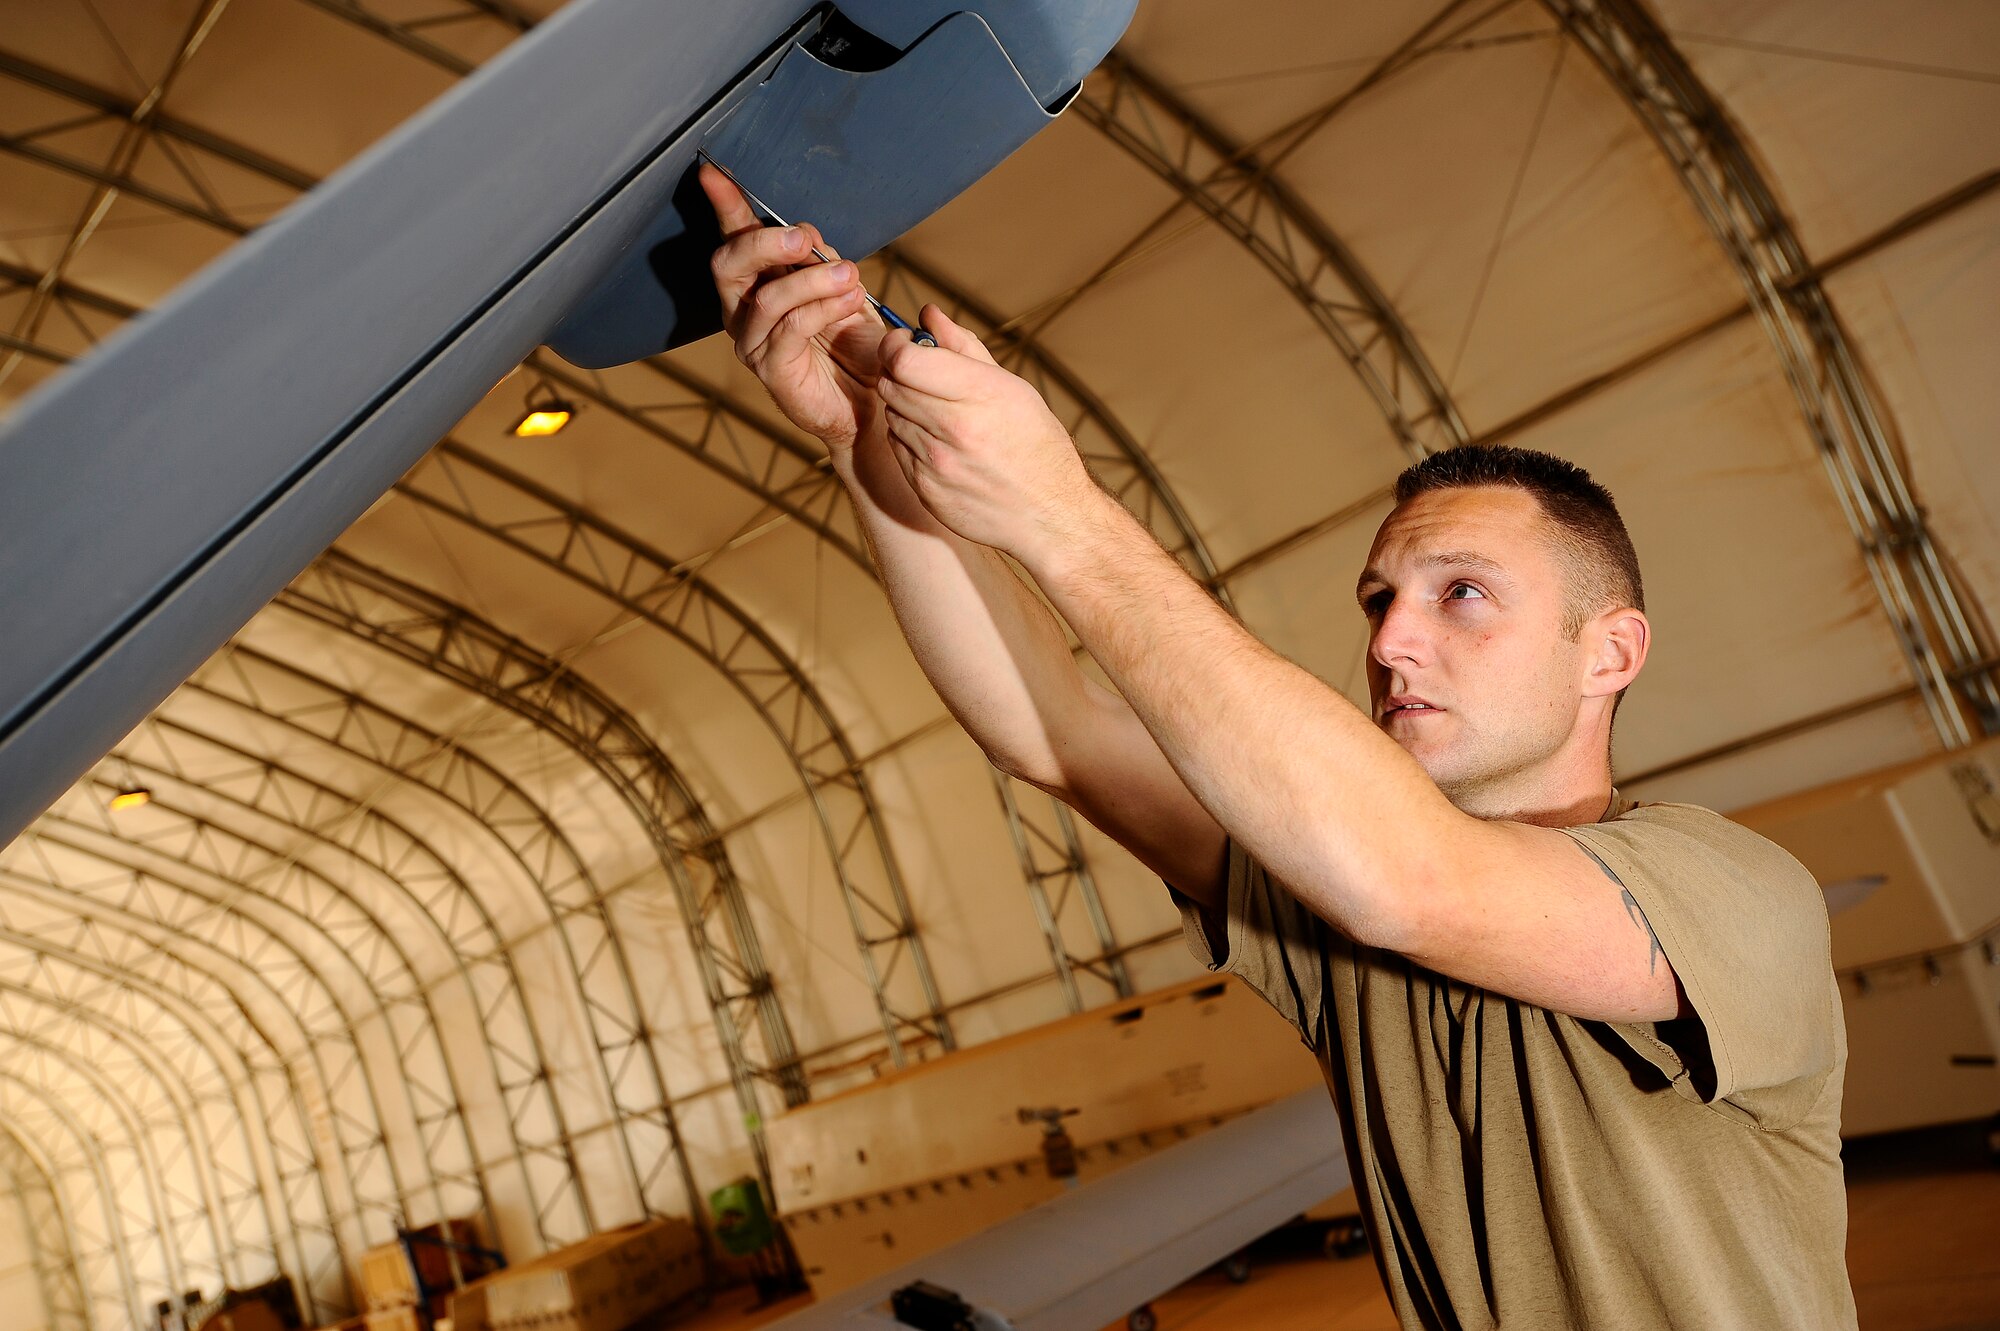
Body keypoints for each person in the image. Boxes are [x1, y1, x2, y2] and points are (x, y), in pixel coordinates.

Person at [697, 166, 1855, 1330]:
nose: (1393, 637)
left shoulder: (1737, 892)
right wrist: (859, 438)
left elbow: (1408, 881)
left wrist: (1061, 514)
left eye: (1461, 592)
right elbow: (1055, 733)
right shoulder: (1331, 911)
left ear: (1609, 650)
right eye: (1377, 599)